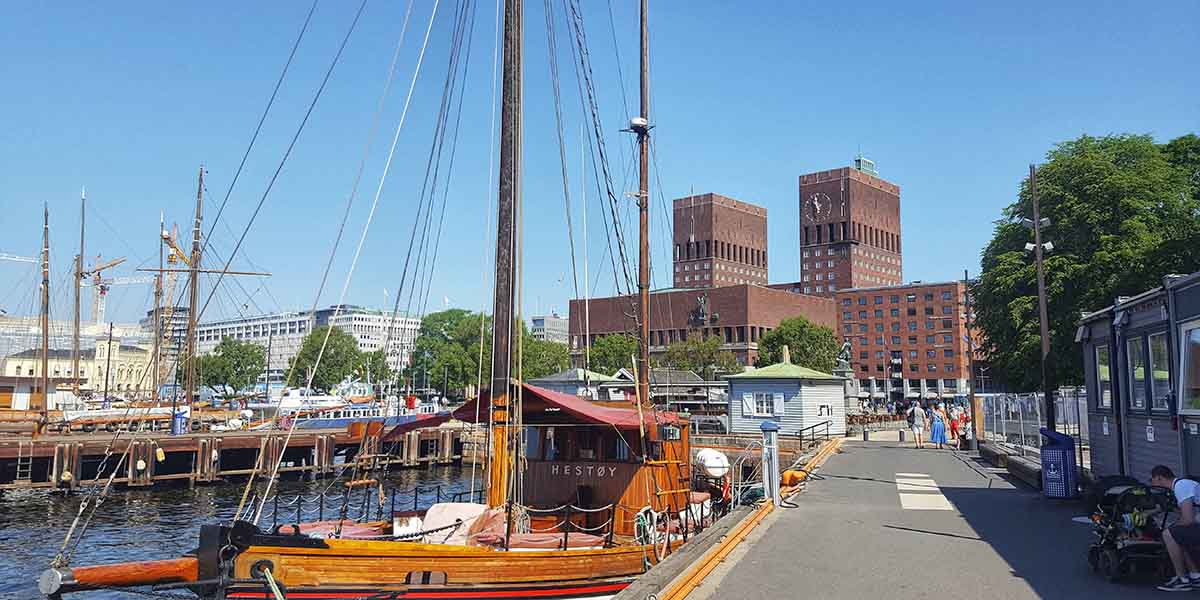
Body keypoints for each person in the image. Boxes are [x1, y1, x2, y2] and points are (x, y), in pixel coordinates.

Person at [1153, 465, 1200, 591]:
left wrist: (1171, 527)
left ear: (1159, 478)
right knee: (1176, 534)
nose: (1154, 484)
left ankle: (1182, 579)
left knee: (1169, 534)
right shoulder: (1182, 485)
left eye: (1153, 480)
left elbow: (1188, 519)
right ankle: (1195, 575)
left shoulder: (1181, 486)